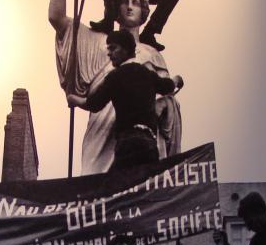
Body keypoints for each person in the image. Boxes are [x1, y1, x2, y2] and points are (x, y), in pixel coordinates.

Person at [50, 0, 181, 174]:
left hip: (142, 138)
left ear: (144, 11)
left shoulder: (152, 54)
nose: (130, 6)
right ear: (115, 8)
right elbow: (57, 18)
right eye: (124, 1)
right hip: (103, 134)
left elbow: (165, 95)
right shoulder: (98, 40)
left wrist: (166, 105)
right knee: (95, 192)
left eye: (136, 2)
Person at [66, 29, 183, 171]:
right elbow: (168, 86)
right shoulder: (147, 75)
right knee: (145, 187)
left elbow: (93, 104)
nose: (109, 54)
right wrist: (177, 79)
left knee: (114, 187)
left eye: (113, 48)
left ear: (126, 49)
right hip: (149, 145)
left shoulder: (115, 77)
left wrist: (73, 99)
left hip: (128, 143)